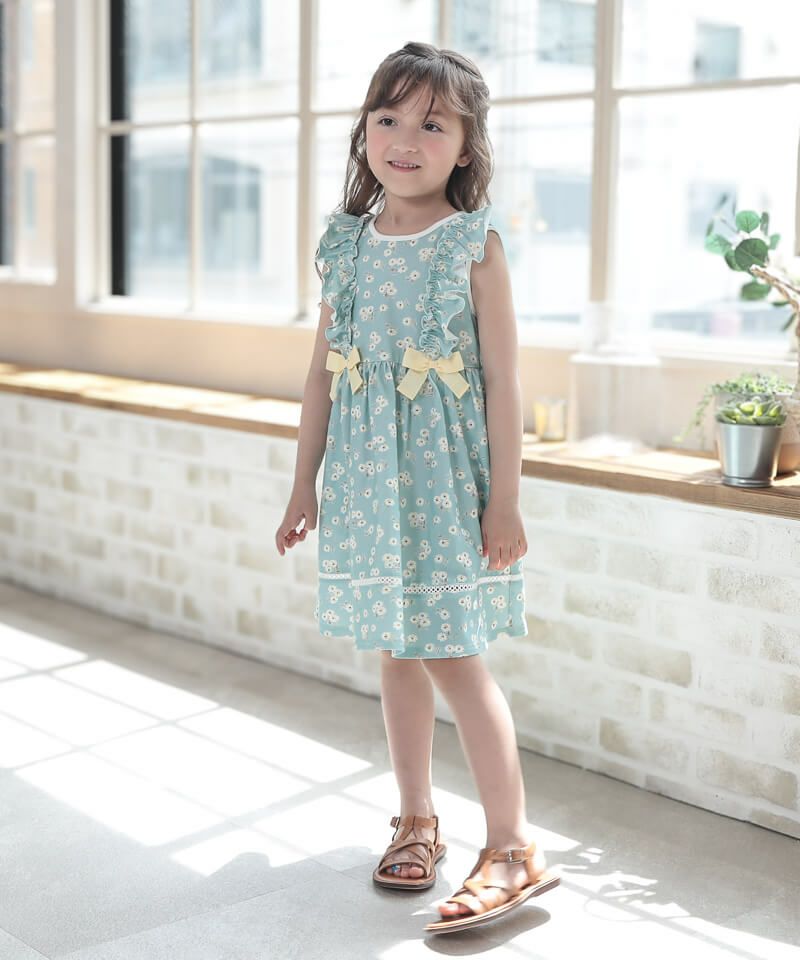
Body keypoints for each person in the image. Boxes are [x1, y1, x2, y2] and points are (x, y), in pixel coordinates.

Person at [275, 40, 559, 935]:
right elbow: (322, 373)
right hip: (366, 481)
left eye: (432, 125)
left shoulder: (474, 244)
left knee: (452, 655)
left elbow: (505, 381)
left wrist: (504, 499)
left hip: (443, 483)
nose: (405, 140)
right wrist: (303, 483)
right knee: (396, 652)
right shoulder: (346, 245)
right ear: (364, 129)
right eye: (388, 118)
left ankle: (512, 845)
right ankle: (415, 818)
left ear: (467, 147)